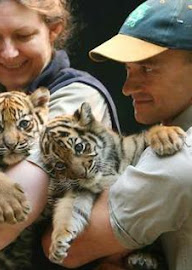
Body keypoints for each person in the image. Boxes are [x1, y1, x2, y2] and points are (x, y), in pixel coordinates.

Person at [0, 0, 121, 269]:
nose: (8, 53)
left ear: (54, 29)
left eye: (23, 36)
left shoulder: (78, 96)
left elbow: (11, 215)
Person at [40, 0, 192, 269]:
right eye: (127, 69)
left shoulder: (178, 160)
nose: (127, 88)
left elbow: (67, 249)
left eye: (147, 68)